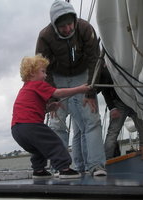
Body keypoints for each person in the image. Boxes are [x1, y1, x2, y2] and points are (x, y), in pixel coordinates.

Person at [35, 0, 106, 176]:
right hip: (56, 78)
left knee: (92, 119)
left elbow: (94, 60)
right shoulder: (44, 36)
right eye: (62, 26)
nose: (67, 29)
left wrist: (90, 92)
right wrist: (52, 98)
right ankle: (61, 166)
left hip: (83, 75)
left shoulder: (85, 28)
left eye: (69, 24)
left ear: (74, 20)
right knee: (57, 122)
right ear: (54, 25)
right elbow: (42, 67)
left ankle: (96, 166)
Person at [11, 54, 90, 179]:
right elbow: (58, 92)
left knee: (39, 147)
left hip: (17, 130)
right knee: (54, 143)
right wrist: (79, 89)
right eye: (43, 71)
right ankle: (64, 168)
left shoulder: (25, 88)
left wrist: (49, 108)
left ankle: (39, 170)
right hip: (31, 125)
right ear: (32, 73)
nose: (46, 75)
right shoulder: (37, 84)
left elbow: (31, 108)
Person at [98, 65, 143, 160]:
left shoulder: (112, 67)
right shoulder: (110, 69)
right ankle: (107, 160)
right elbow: (105, 90)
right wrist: (112, 108)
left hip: (134, 102)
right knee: (113, 132)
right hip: (121, 104)